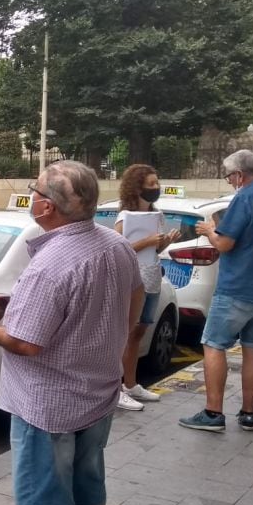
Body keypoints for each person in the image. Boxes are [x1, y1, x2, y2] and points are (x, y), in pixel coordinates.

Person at [0, 161, 143, 505]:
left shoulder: (50, 266)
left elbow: (25, 341)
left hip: (48, 402)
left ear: (45, 207)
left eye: (34, 191)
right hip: (98, 391)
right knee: (89, 476)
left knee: (50, 488)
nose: (31, 197)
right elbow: (136, 299)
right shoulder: (116, 245)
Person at [179, 149, 253, 433]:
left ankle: (213, 413)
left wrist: (209, 230)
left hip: (239, 288)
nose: (230, 182)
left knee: (214, 344)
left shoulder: (245, 198)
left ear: (240, 175)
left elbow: (224, 244)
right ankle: (248, 414)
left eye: (229, 176)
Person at [114, 164, 180, 411]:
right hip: (133, 282)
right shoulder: (125, 217)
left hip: (152, 279)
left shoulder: (157, 214)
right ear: (137, 187)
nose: (156, 188)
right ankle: (116, 387)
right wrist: (146, 241)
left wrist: (165, 242)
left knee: (139, 332)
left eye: (157, 183)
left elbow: (156, 249)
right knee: (126, 334)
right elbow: (118, 250)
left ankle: (130, 384)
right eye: (150, 184)